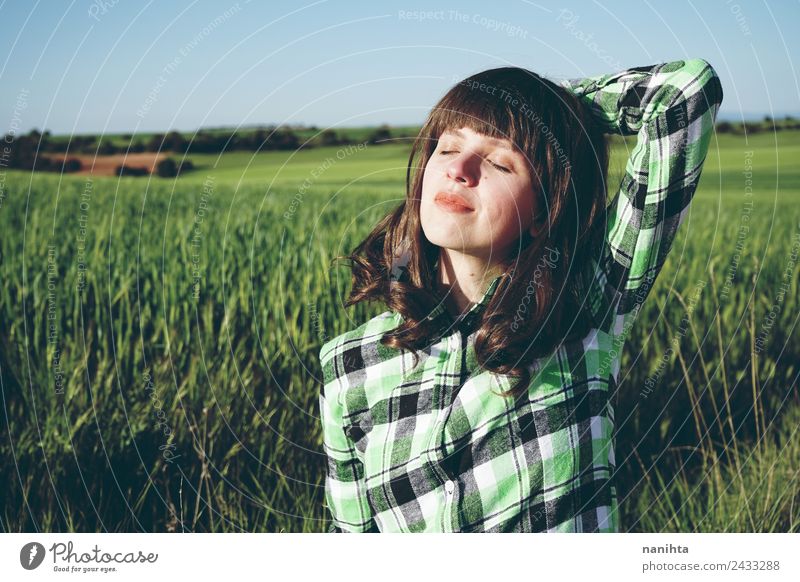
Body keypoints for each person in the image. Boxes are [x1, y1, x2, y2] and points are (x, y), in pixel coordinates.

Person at [318, 59, 723, 532]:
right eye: (447, 148)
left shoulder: (584, 306)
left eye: (498, 161)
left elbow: (684, 94)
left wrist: (546, 108)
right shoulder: (351, 365)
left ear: (543, 210)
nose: (460, 170)